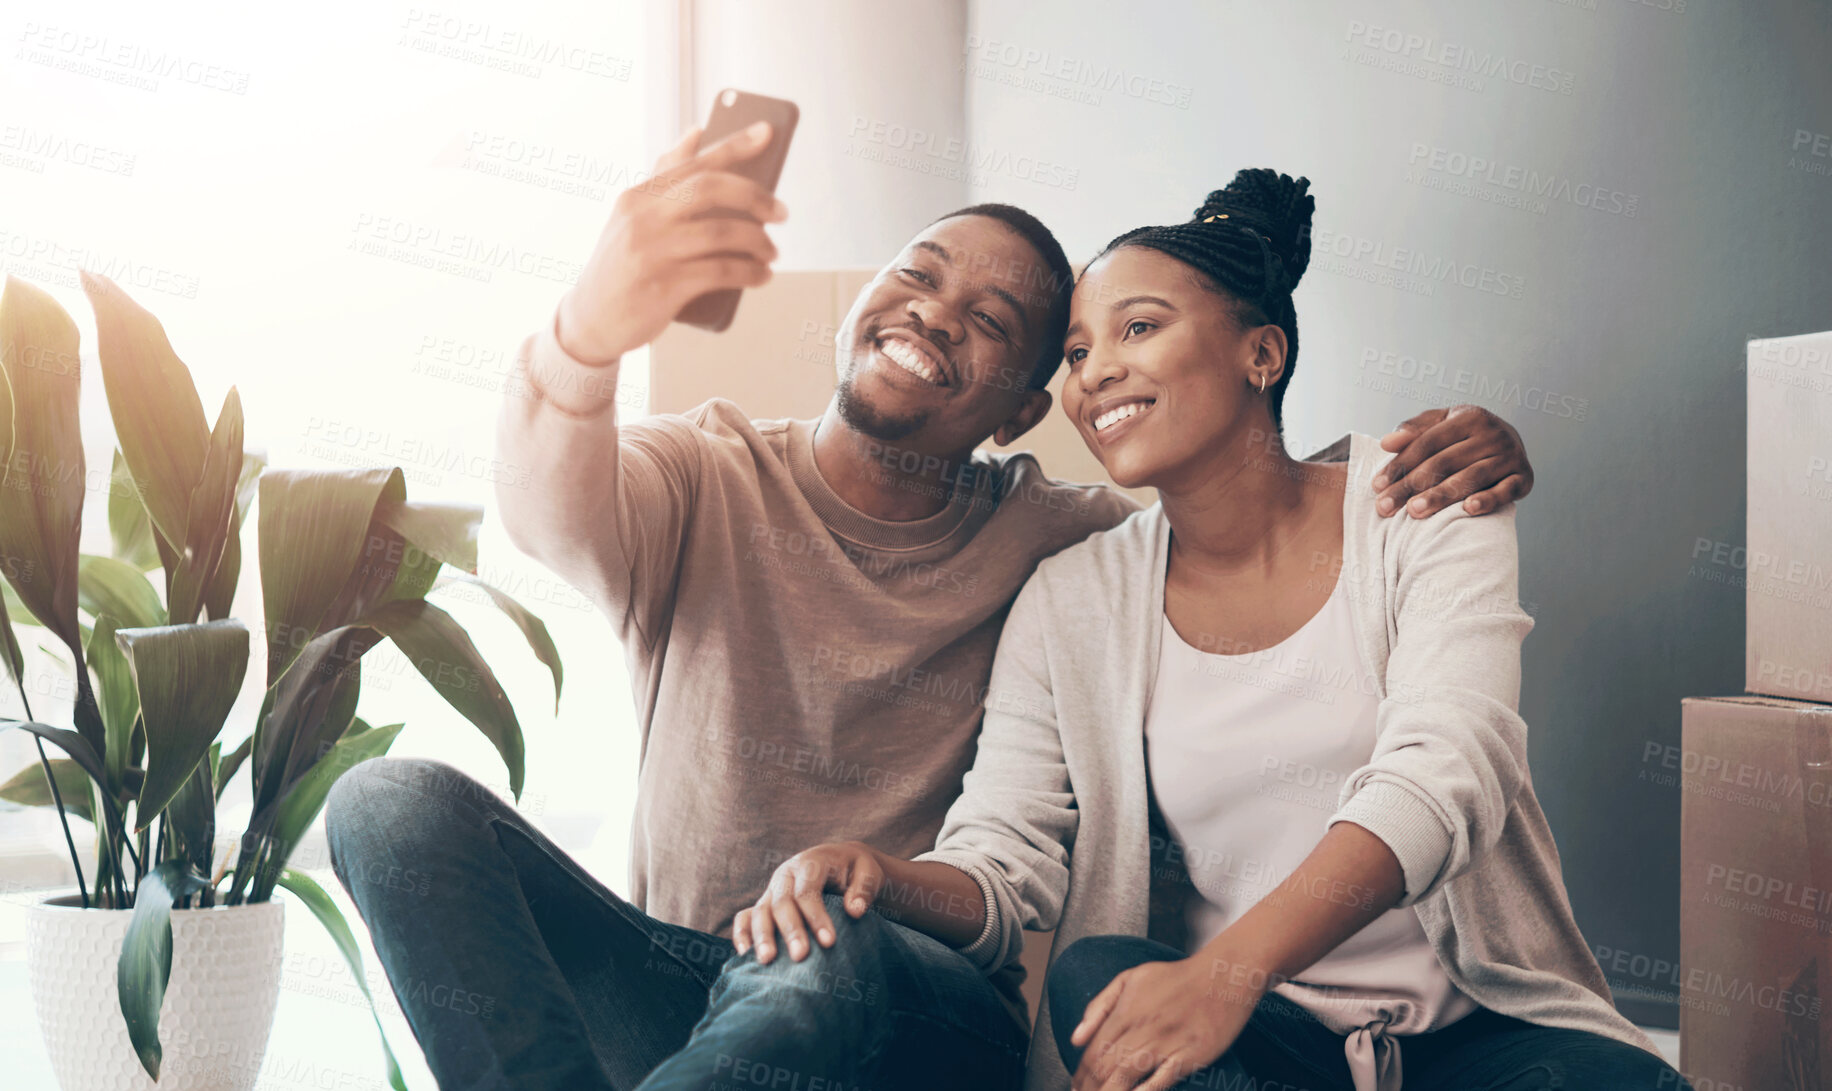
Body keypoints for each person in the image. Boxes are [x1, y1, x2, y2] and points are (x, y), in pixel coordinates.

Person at [324, 122, 1538, 1091]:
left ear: (1019, 415)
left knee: (821, 954)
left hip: (905, 989)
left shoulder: (1062, 541)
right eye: (916, 275)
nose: (933, 314)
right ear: (861, 306)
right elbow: (549, 504)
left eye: (996, 325)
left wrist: (1452, 456)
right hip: (684, 970)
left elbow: (1242, 499)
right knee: (387, 799)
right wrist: (581, 333)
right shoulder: (703, 475)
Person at [735, 171, 1691, 1091]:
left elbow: (1451, 770)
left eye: (1139, 328)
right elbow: (1006, 855)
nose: (1096, 371)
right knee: (1098, 977)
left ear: (1261, 355)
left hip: (1478, 1035)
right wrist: (885, 876)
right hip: (1259, 1042)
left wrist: (1225, 971)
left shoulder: (1428, 505)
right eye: (1074, 354)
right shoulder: (1075, 594)